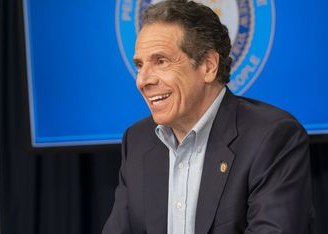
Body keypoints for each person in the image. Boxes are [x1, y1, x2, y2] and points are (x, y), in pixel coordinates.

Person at [103, 0, 314, 233]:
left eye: (161, 61)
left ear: (208, 66)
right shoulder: (137, 140)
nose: (143, 80)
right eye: (140, 65)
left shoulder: (272, 137)